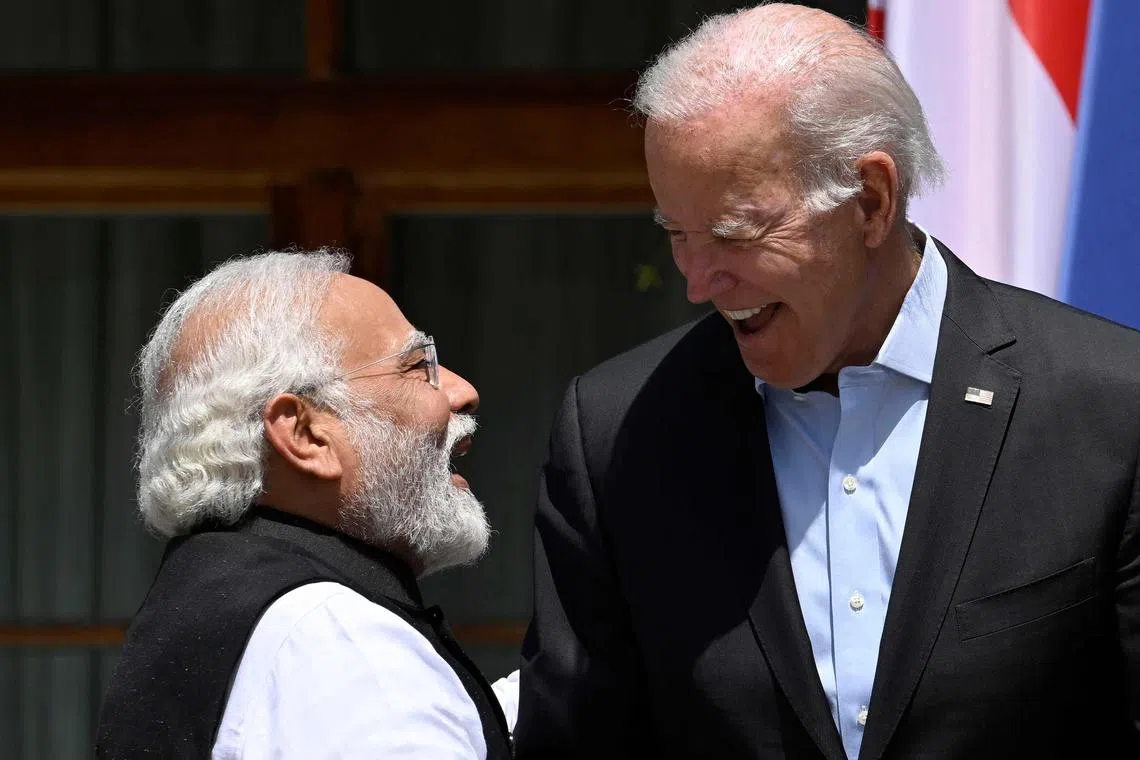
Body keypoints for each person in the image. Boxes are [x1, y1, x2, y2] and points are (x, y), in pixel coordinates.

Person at [515, 4, 1140, 759]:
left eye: (736, 233)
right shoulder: (618, 434)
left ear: (870, 200)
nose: (697, 281)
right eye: (676, 235)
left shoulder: (1109, 406)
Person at [96, 251, 514, 758]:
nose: (462, 391)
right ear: (305, 434)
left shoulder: (219, 607)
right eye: (416, 366)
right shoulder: (343, 646)